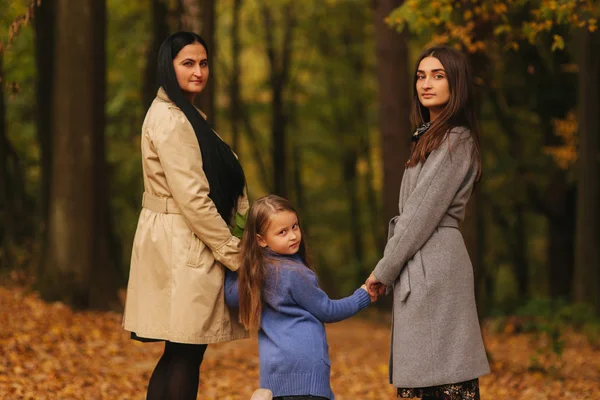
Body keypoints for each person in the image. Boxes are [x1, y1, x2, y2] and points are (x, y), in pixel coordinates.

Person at [122, 31, 249, 400]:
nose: (198, 72)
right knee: (186, 350)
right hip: (183, 244)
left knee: (183, 351)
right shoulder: (172, 120)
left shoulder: (185, 114)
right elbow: (193, 198)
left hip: (182, 239)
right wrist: (232, 251)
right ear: (169, 66)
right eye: (188, 63)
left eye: (203, 63)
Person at [366, 46, 490, 400]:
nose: (426, 83)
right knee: (426, 380)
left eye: (438, 76)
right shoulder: (429, 136)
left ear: (457, 84)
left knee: (443, 380)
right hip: (423, 260)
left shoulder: (455, 140)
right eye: (421, 75)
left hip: (435, 265)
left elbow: (419, 216)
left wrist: (383, 270)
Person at [225, 195, 375, 400]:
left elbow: (231, 296)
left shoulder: (254, 273)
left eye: (294, 226)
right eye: (282, 232)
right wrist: (364, 295)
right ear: (261, 240)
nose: (293, 236)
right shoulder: (293, 273)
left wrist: (234, 265)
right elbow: (328, 310)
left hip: (273, 373)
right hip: (305, 371)